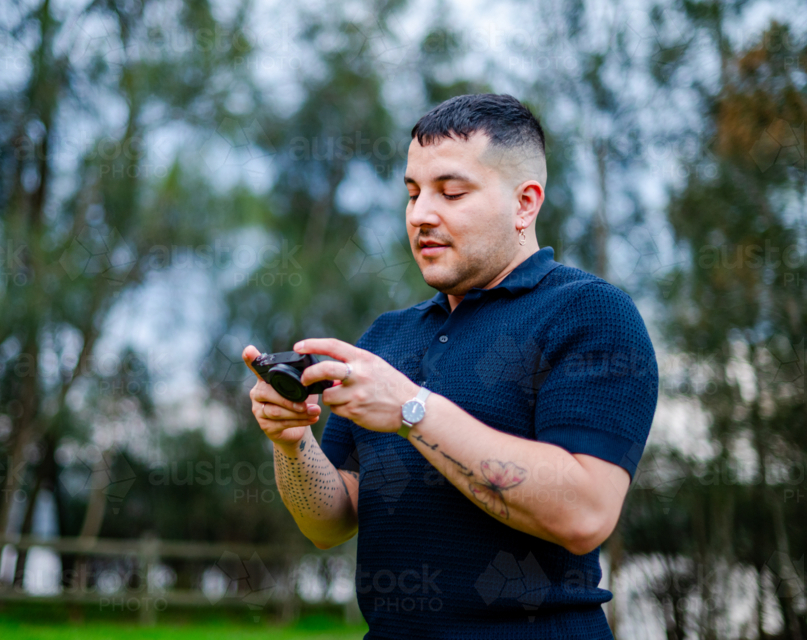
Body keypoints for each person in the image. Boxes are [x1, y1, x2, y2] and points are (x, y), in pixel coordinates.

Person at [242, 93, 658, 639]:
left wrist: (412, 409)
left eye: (451, 192)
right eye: (412, 194)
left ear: (525, 203)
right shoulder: (387, 337)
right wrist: (291, 441)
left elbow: (584, 515)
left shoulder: (589, 313)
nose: (420, 215)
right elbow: (331, 522)